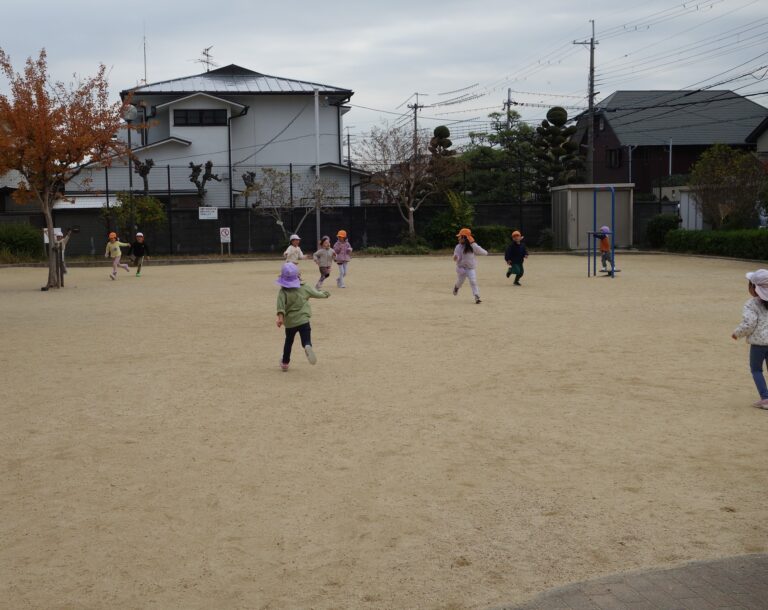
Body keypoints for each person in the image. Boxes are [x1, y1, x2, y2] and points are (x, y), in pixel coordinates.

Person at [275, 262, 330, 372]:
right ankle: (307, 346)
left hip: (290, 322)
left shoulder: (283, 292)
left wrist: (280, 319)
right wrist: (326, 294)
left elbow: (280, 307)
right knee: (306, 338)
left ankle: (285, 363)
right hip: (304, 320)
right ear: (298, 276)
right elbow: (317, 293)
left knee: (289, 341)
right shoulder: (304, 287)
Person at [732, 269, 768, 409]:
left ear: (754, 288)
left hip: (758, 344)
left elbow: (749, 323)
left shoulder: (751, 304)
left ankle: (765, 398)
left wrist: (737, 333)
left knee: (756, 370)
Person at [452, 228, 488, 304]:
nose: (458, 238)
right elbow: (457, 255)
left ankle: (476, 296)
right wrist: (455, 257)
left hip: (470, 268)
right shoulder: (458, 246)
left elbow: (480, 251)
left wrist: (473, 243)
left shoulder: (472, 246)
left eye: (460, 236)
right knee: (460, 282)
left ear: (465, 238)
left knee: (473, 281)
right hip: (461, 268)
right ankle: (456, 287)